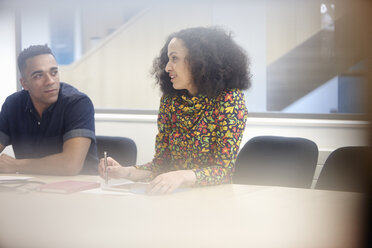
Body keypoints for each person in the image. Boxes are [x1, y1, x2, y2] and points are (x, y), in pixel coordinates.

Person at [99, 27, 251, 194]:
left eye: (174, 59)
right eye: (168, 59)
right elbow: (161, 165)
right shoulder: (170, 101)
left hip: (214, 198)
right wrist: (125, 172)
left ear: (200, 61)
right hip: (174, 197)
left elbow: (223, 171)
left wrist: (180, 176)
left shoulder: (229, 100)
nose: (167, 67)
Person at [0, 44, 98, 175]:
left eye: (54, 72)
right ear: (24, 83)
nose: (50, 81)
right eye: (38, 76)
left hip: (80, 189)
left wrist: (16, 165)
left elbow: (70, 165)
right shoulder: (13, 104)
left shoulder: (78, 103)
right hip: (30, 188)